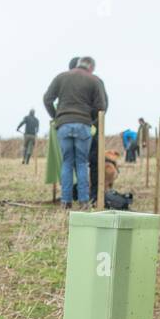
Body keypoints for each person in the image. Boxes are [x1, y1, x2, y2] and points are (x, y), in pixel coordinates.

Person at [43, 56, 107, 209]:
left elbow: (47, 99)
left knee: (67, 162)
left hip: (64, 125)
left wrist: (56, 116)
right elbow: (101, 106)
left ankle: (66, 201)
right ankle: (84, 202)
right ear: (91, 67)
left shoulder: (61, 77)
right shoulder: (94, 80)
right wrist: (91, 122)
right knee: (81, 163)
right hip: (83, 126)